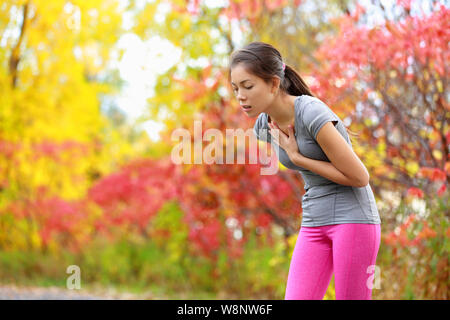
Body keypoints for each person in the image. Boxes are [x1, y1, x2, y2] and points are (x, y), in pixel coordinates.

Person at [228, 41, 381, 300]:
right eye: (235, 89)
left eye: (248, 86)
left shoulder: (310, 112)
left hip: (353, 219)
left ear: (274, 84)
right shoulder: (263, 127)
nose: (240, 96)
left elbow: (359, 177)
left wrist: (299, 158)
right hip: (313, 221)